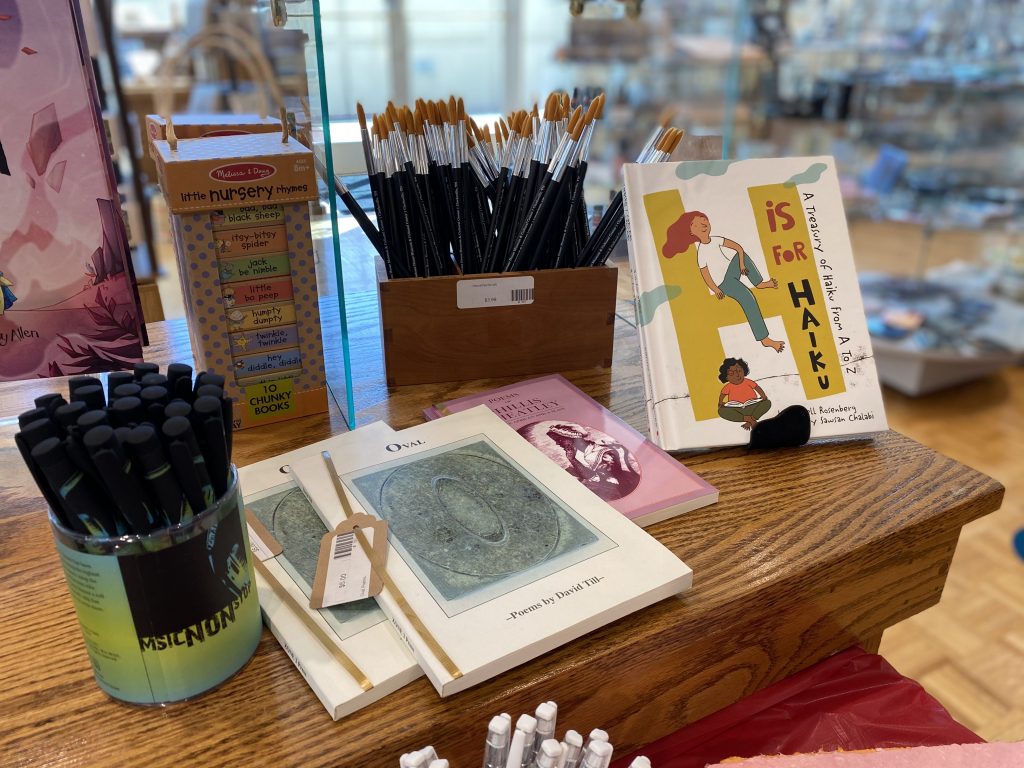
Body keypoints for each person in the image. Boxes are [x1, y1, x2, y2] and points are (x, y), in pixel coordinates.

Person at [663, 210, 785, 353]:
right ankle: (765, 340)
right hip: (724, 283)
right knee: (748, 298)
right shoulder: (701, 252)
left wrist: (741, 264)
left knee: (743, 256)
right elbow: (706, 275)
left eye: (704, 220)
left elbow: (739, 248)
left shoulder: (716, 239)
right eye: (696, 224)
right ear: (691, 232)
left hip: (731, 272)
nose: (703, 224)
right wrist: (716, 290)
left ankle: (759, 283)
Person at [717, 357, 772, 430]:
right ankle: (748, 419)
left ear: (744, 371)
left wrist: (763, 396)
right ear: (726, 377)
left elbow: (757, 388)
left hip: (753, 405)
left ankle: (750, 420)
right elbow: (722, 395)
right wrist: (720, 402)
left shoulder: (748, 381)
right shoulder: (728, 387)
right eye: (731, 373)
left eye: (739, 371)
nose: (737, 375)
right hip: (737, 409)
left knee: (767, 403)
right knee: (721, 411)